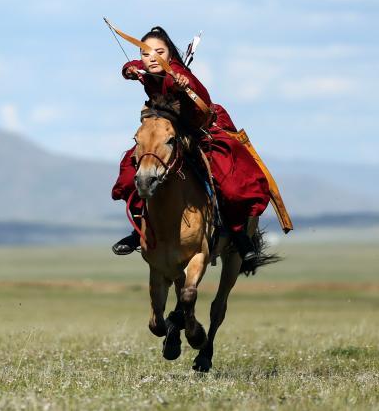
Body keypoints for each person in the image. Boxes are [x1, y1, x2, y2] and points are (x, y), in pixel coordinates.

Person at [110, 26, 270, 273]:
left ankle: (239, 236)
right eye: (145, 53)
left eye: (159, 52)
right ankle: (138, 231)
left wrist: (184, 83)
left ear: (170, 54)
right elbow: (131, 65)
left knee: (231, 185)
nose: (152, 58)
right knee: (132, 174)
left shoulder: (179, 73)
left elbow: (201, 96)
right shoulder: (147, 68)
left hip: (199, 131)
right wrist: (128, 70)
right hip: (166, 132)